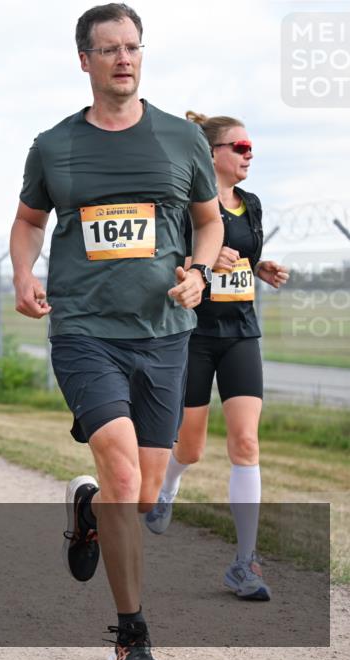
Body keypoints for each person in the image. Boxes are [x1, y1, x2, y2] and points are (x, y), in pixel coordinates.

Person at [9, 5, 225, 660]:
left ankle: (88, 507)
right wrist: (23, 273)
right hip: (84, 331)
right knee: (125, 473)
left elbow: (209, 223)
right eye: (108, 49)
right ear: (85, 61)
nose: (123, 58)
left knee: (143, 490)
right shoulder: (54, 145)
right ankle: (133, 636)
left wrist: (201, 271)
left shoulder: (181, 140)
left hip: (165, 335)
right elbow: (27, 222)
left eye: (132, 46)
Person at [145, 113, 289, 602]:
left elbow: (244, 255)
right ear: (213, 155)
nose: (250, 154)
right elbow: (167, 259)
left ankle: (244, 563)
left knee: (246, 442)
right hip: (193, 333)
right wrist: (200, 260)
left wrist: (258, 265)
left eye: (251, 147)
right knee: (189, 448)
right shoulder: (188, 206)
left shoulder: (251, 204)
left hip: (241, 332)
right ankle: (167, 491)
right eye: (240, 146)